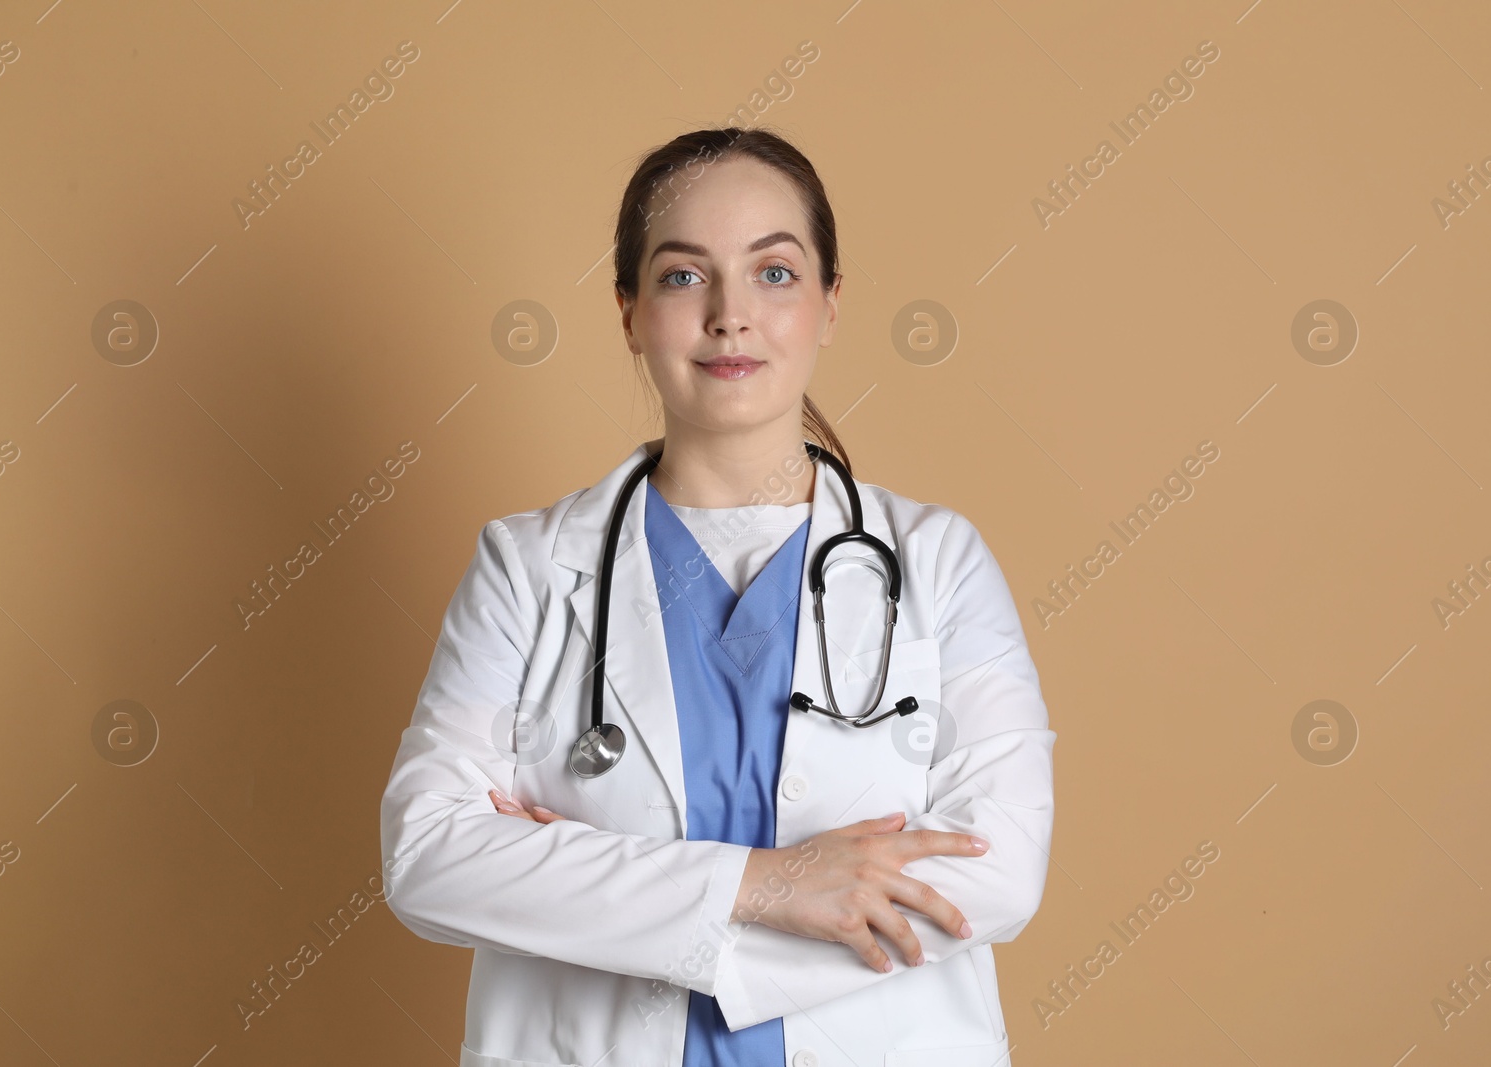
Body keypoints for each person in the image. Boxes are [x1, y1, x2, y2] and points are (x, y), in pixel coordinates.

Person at [380, 126, 1056, 1067]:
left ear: (829, 304)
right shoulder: (527, 568)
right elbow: (430, 861)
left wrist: (585, 885)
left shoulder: (936, 564)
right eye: (684, 276)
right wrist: (770, 884)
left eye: (775, 273)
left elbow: (997, 874)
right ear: (629, 311)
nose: (730, 315)